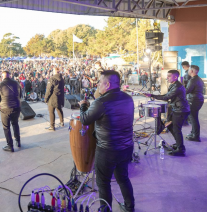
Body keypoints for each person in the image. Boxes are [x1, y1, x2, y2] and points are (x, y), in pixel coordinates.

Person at [79, 70, 135, 212]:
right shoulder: (128, 98)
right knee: (123, 178)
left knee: (103, 182)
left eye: (99, 82)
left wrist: (83, 106)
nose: (97, 85)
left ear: (108, 84)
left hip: (108, 150)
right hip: (127, 147)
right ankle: (129, 207)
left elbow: (85, 119)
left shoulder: (101, 102)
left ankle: (105, 210)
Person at [145, 70, 190, 156]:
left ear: (175, 77)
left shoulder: (177, 87)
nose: (167, 78)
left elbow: (166, 97)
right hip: (177, 109)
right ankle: (178, 144)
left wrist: (152, 96)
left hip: (181, 110)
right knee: (170, 126)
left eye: (169, 76)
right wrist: (152, 95)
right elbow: (166, 95)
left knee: (177, 129)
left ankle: (181, 149)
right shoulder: (174, 85)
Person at [0, 71, 22, 152]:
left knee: (6, 127)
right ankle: (18, 141)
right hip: (16, 107)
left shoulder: (0, 85)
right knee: (15, 124)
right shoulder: (16, 83)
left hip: (5, 109)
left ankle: (10, 146)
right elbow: (20, 95)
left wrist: (0, 102)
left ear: (2, 77)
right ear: (10, 76)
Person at [185, 65, 204, 142]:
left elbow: (187, 90)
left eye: (189, 70)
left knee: (193, 118)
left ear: (192, 71)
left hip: (194, 100)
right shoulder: (199, 79)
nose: (188, 71)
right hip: (198, 99)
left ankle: (196, 136)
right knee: (193, 117)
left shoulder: (193, 80)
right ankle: (193, 133)